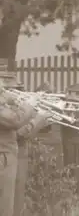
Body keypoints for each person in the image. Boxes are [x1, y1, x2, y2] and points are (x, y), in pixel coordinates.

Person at [0, 75, 46, 216]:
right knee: (5, 206)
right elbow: (16, 122)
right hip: (4, 158)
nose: (5, 91)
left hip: (9, 157)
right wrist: (31, 106)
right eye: (2, 89)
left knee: (10, 204)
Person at [10, 80, 52, 216]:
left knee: (18, 196)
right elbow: (19, 133)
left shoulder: (18, 109)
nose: (21, 95)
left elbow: (30, 129)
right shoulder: (8, 111)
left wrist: (42, 120)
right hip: (13, 155)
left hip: (20, 154)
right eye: (17, 90)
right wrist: (37, 120)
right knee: (12, 198)